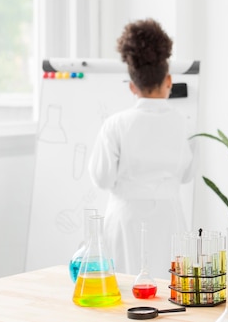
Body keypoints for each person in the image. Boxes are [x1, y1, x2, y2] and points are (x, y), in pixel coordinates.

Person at [88, 18, 194, 277]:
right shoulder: (184, 124)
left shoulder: (115, 125)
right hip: (169, 220)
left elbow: (101, 178)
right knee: (170, 298)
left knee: (122, 298)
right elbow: (187, 175)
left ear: (132, 86)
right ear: (168, 80)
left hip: (126, 221)